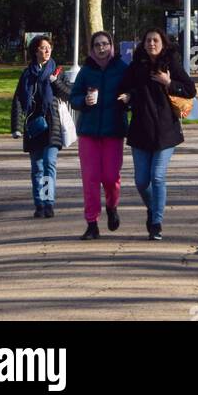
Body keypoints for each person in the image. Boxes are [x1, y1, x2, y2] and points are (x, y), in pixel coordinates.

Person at [117, 27, 196, 241]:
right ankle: (152, 208)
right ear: (143, 44)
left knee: (158, 176)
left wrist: (168, 82)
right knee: (142, 181)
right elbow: (126, 89)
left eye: (156, 40)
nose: (151, 44)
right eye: (148, 40)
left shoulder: (171, 63)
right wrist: (127, 97)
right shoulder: (136, 66)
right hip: (141, 129)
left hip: (165, 130)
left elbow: (190, 89)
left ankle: (156, 223)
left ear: (163, 43)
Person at [70, 31, 128, 240]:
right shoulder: (86, 71)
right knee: (91, 179)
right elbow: (73, 97)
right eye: (97, 45)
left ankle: (112, 206)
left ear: (111, 46)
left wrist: (128, 97)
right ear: (92, 48)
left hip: (113, 131)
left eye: (105, 44)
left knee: (111, 177)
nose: (101, 48)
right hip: (89, 132)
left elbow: (134, 91)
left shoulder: (122, 69)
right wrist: (83, 101)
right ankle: (91, 222)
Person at [11, 35, 73, 219]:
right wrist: (16, 126)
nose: (46, 51)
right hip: (33, 126)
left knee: (49, 163)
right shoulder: (27, 74)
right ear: (35, 51)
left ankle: (48, 203)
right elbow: (18, 100)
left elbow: (69, 94)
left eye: (48, 48)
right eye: (42, 48)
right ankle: (39, 204)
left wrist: (56, 82)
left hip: (52, 124)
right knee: (37, 167)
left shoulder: (57, 71)